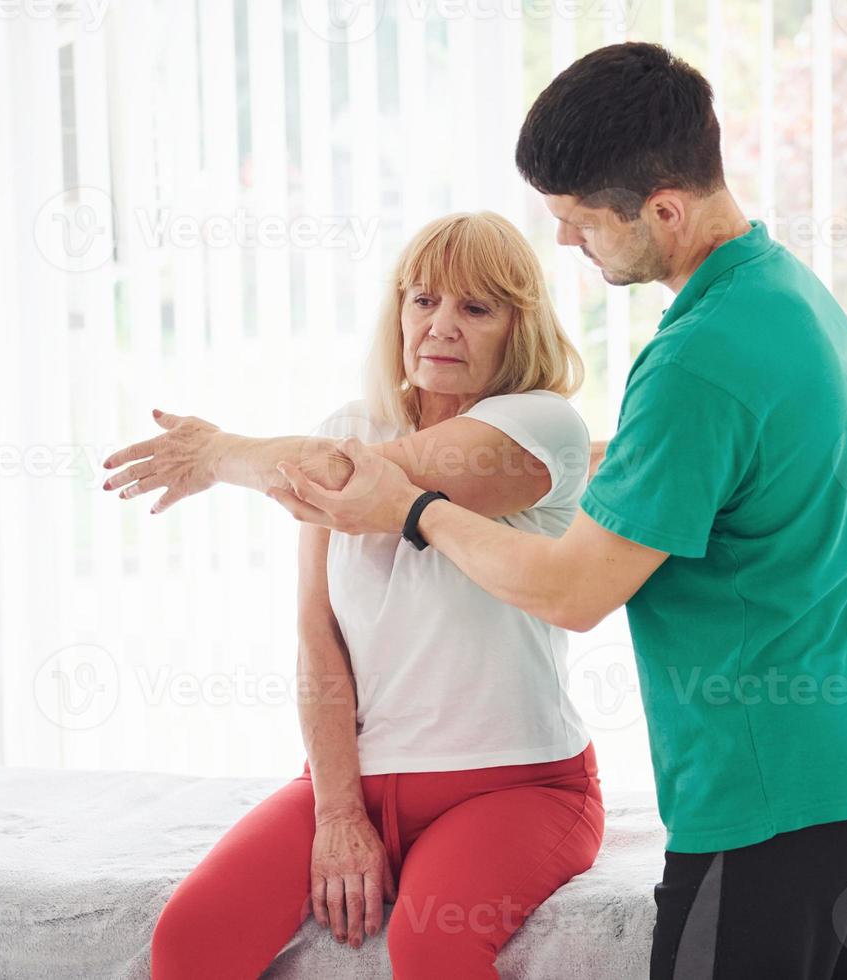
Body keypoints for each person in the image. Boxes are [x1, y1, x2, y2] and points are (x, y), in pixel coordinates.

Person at [267, 43, 847, 979]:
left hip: (770, 801)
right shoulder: (789, 296)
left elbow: (574, 590)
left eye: (580, 222)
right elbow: (732, 476)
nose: (566, 245)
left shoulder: (694, 361)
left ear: (662, 208)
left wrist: (416, 508)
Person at [103, 212, 605, 979]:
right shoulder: (347, 426)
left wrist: (217, 453)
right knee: (192, 939)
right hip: (358, 781)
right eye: (423, 300)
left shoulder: (540, 426)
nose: (440, 326)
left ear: (518, 327)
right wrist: (337, 812)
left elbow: (348, 478)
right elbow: (317, 634)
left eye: (476, 308)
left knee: (433, 944)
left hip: (519, 785)